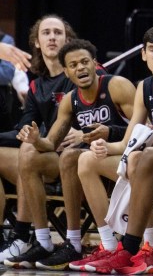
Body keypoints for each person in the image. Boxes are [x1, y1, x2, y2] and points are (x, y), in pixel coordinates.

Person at [73, 26, 153, 274]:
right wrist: (105, 147)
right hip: (150, 161)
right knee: (86, 160)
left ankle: (150, 249)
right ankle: (110, 245)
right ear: (144, 55)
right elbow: (129, 140)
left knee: (141, 159)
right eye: (152, 50)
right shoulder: (144, 86)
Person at [6, 39, 134, 269]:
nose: (80, 68)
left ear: (95, 64)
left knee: (76, 157)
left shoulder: (117, 86)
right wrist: (36, 140)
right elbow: (51, 143)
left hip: (125, 155)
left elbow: (144, 128)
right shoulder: (70, 100)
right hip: (91, 161)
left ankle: (102, 244)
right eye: (73, 65)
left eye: (85, 62)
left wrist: (111, 132)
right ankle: (57, 242)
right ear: (66, 72)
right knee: (43, 156)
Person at [0, 15, 77, 261]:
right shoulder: (36, 86)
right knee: (26, 147)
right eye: (46, 33)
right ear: (36, 42)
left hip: (76, 159)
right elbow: (25, 126)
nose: (52, 37)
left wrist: (83, 132)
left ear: (67, 40)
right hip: (45, 153)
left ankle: (23, 235)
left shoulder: (81, 71)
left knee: (28, 152)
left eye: (58, 32)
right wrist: (26, 133)